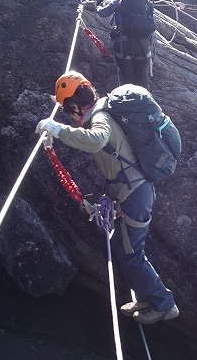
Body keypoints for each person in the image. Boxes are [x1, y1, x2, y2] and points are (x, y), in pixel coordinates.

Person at [37, 71, 179, 325]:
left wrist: (57, 129)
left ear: (74, 106)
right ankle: (147, 298)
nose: (70, 117)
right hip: (130, 192)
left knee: (131, 253)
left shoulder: (100, 116)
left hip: (134, 193)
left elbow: (96, 141)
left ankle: (165, 304)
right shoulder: (102, 112)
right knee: (125, 250)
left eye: (67, 111)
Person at [85, 0, 155, 88]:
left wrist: (99, 3)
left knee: (128, 81)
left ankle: (128, 98)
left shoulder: (119, 1)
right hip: (143, 46)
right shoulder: (147, 4)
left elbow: (103, 12)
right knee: (143, 81)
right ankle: (144, 98)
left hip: (123, 45)